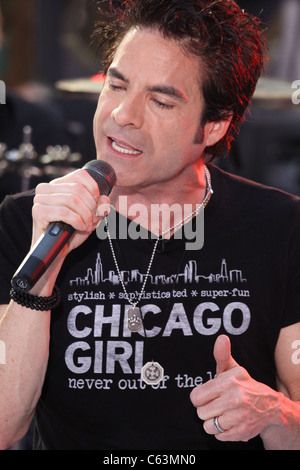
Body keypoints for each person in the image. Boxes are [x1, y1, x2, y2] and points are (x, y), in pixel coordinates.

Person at [0, 0, 300, 451]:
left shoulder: (281, 227)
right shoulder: (28, 220)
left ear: (215, 126)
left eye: (160, 101)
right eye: (116, 86)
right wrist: (38, 279)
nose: (123, 115)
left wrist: (275, 413)